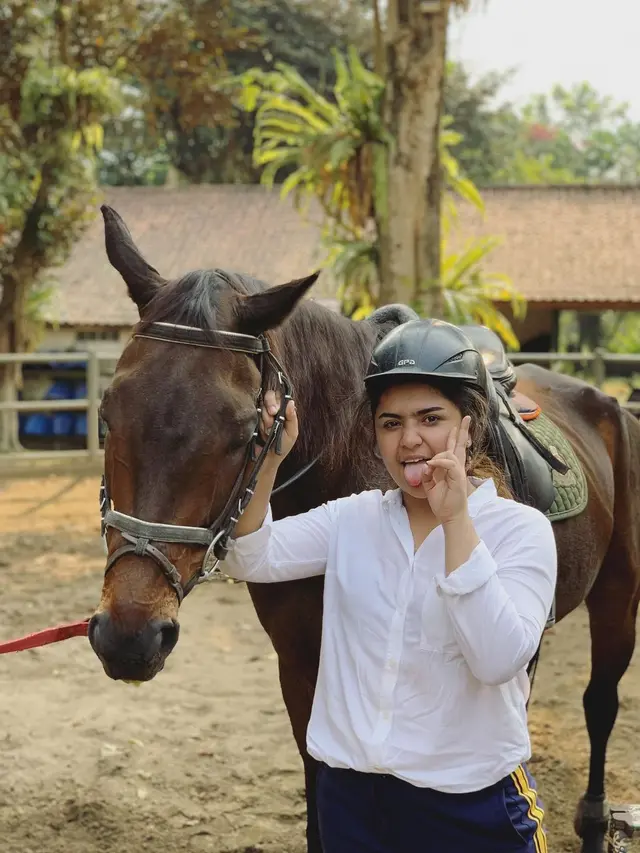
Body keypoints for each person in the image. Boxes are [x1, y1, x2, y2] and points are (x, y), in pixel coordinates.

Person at [224, 318, 557, 853]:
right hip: (350, 801)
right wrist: (270, 461)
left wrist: (456, 522)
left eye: (431, 418)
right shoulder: (352, 520)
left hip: (469, 807)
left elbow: (498, 660)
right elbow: (248, 556)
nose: (409, 440)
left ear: (469, 425)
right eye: (390, 423)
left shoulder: (522, 531)